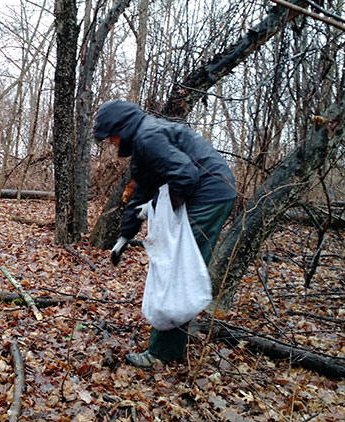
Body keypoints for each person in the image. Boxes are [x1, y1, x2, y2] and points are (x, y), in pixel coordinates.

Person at [93, 99, 237, 368]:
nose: (110, 142)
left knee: (176, 269)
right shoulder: (144, 142)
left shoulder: (148, 137)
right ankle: (176, 339)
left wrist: (158, 208)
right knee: (177, 266)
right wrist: (124, 237)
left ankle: (163, 353)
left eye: (110, 135)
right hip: (210, 193)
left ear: (121, 127)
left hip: (208, 195)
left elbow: (186, 176)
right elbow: (141, 193)